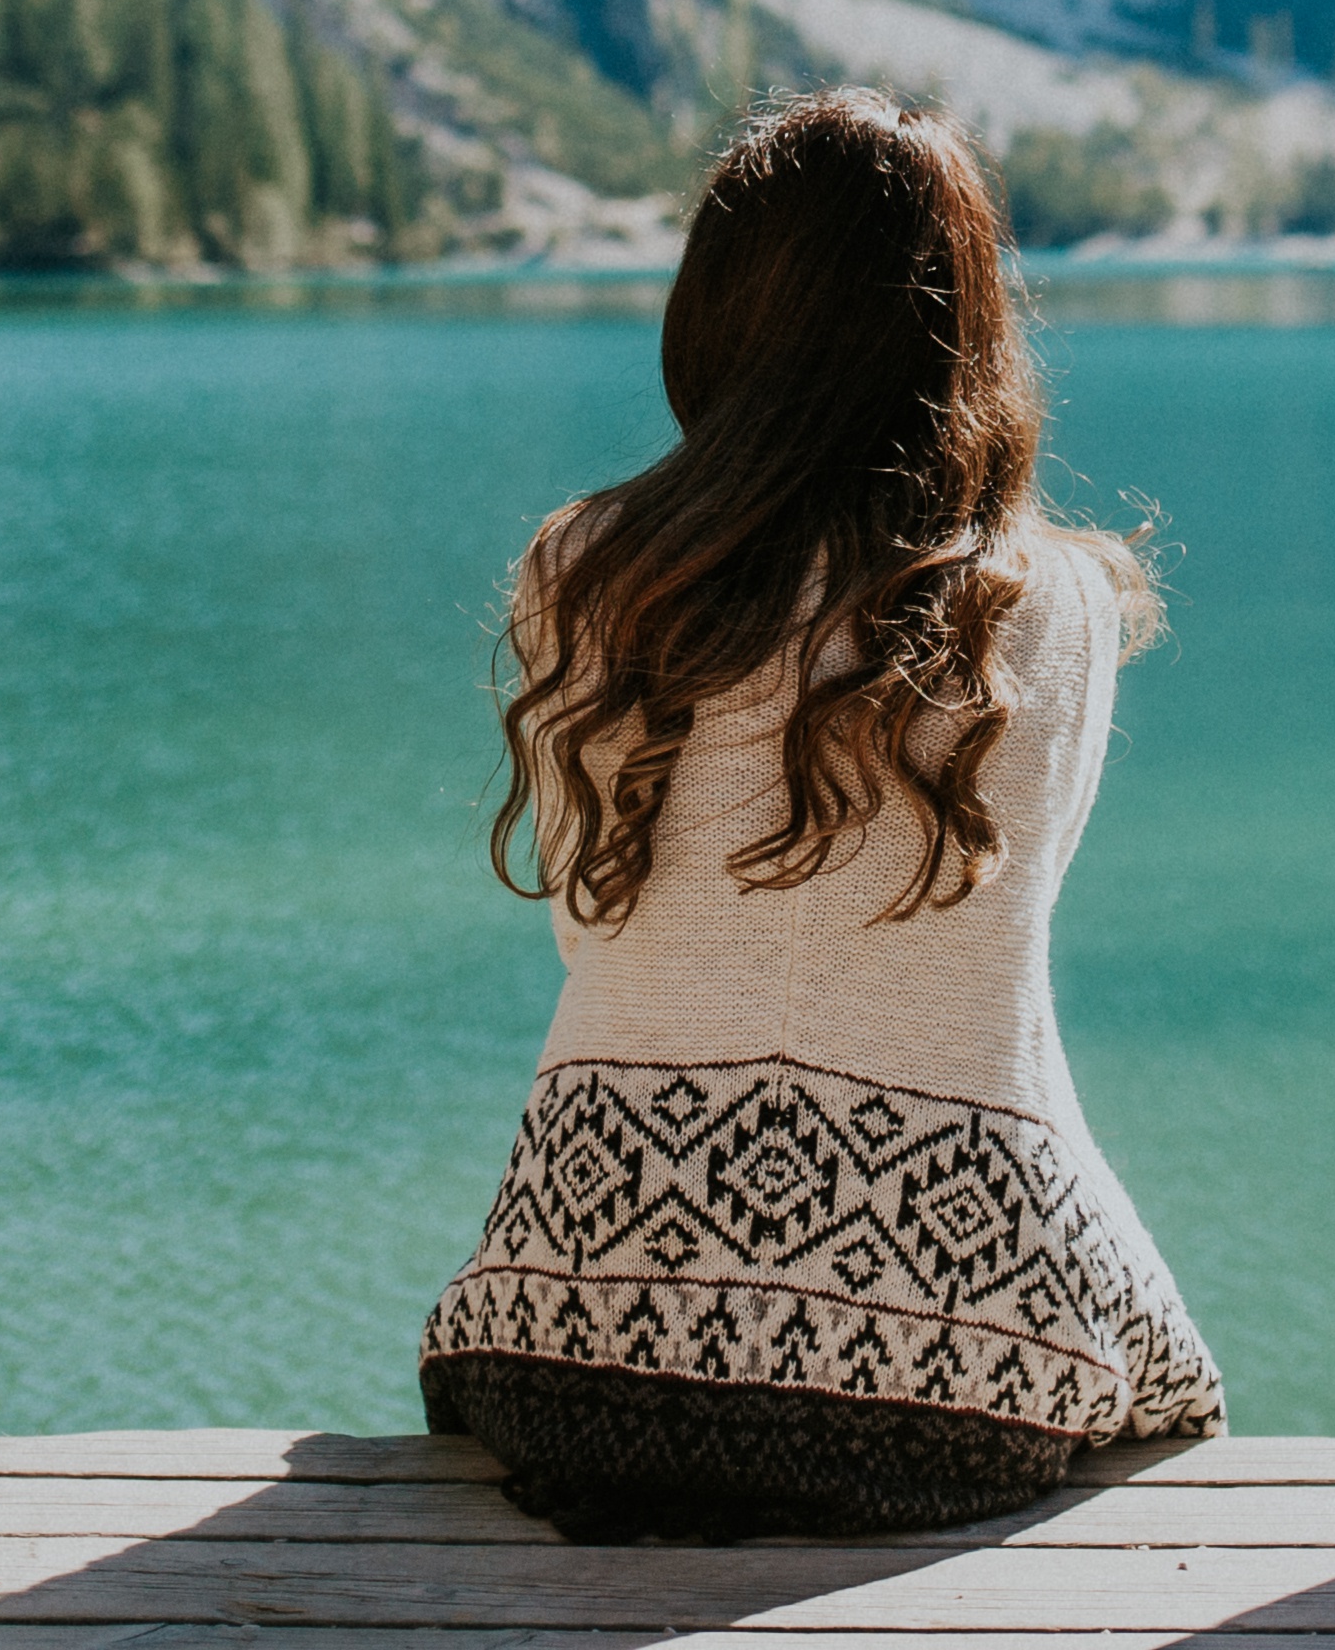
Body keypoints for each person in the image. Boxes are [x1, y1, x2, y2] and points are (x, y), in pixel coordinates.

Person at [418, 90, 1222, 1540]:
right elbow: (991, 957)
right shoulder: (1056, 608)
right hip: (954, 1388)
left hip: (578, 1348)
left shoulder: (583, 571)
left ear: (716, 315)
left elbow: (600, 934)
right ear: (964, 327)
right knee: (1174, 1381)